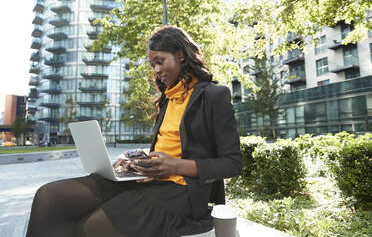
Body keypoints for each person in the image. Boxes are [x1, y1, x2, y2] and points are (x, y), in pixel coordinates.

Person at [26, 26, 242, 237]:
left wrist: (174, 165)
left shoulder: (215, 96)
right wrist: (138, 164)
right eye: (153, 64)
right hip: (149, 180)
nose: (156, 70)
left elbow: (232, 163)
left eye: (160, 61)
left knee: (86, 227)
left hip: (180, 193)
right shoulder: (168, 99)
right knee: (48, 197)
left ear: (180, 55)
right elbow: (165, 150)